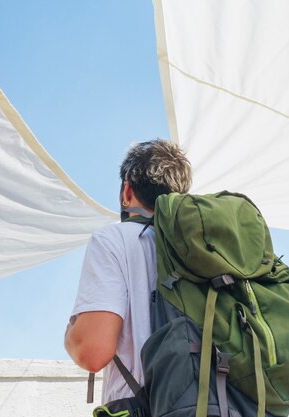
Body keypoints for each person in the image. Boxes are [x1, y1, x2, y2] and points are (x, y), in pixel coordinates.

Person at [64, 139, 192, 404]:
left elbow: (92, 352)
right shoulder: (203, 247)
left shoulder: (114, 239)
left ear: (127, 190)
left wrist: (71, 334)